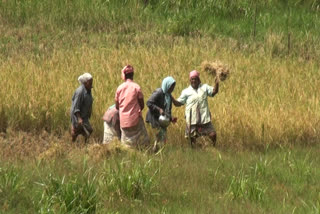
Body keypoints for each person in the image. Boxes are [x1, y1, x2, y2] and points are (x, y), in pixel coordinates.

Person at [173, 70, 219, 147]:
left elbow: (214, 92)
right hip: (192, 120)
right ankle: (195, 152)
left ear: (199, 80)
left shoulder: (204, 87)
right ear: (190, 80)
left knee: (213, 135)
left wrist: (217, 82)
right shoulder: (186, 91)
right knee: (192, 139)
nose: (193, 81)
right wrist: (171, 98)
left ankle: (213, 147)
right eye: (192, 79)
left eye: (195, 79)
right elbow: (178, 103)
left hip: (204, 119)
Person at [115, 65, 149, 148]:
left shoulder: (119, 88)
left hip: (123, 120)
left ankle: (128, 152)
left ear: (124, 76)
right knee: (143, 140)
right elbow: (142, 104)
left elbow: (117, 106)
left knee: (126, 142)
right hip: (135, 119)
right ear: (132, 75)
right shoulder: (136, 87)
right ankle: (142, 152)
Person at [146, 76, 178, 152]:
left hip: (162, 120)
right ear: (167, 85)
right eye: (171, 87)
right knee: (158, 136)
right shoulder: (159, 92)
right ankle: (155, 151)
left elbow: (167, 110)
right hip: (154, 118)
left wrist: (171, 118)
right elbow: (149, 103)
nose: (172, 89)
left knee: (161, 137)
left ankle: (158, 151)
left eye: (173, 87)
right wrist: (159, 109)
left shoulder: (169, 96)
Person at [70, 73, 94, 143]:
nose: (92, 83)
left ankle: (83, 145)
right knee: (76, 131)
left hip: (84, 116)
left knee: (88, 131)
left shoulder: (88, 90)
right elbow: (76, 106)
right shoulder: (80, 92)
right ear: (85, 82)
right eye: (90, 82)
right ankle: (73, 144)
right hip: (78, 115)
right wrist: (79, 118)